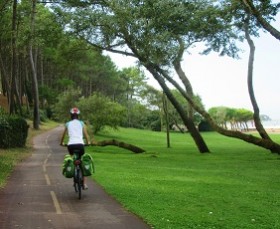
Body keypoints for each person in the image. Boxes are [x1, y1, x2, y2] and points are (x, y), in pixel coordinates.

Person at [60, 107, 91, 189]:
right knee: (82, 161)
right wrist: (88, 142)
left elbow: (63, 135)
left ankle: (73, 173)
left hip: (71, 145)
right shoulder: (82, 123)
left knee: (72, 158)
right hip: (80, 145)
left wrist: (61, 143)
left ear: (71, 115)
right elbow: (86, 134)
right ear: (78, 115)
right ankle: (84, 184)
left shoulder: (67, 124)